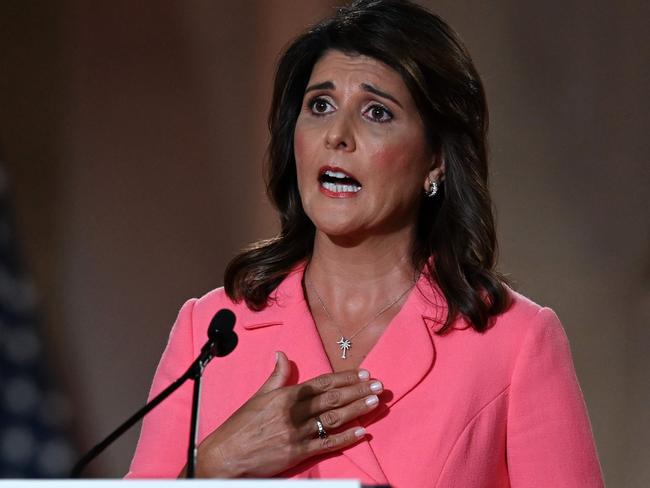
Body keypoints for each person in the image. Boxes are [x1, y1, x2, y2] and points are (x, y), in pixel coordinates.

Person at [126, 0, 604, 485]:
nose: (337, 135)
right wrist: (212, 467)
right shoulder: (209, 332)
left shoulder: (513, 340)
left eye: (377, 112)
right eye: (320, 105)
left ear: (436, 159)